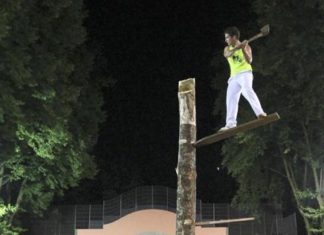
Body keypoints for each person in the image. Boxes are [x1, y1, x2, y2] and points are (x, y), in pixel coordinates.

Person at [219, 26, 267, 131]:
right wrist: (237, 48)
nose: (226, 40)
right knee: (230, 98)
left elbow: (249, 61)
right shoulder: (227, 48)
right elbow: (227, 55)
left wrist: (244, 49)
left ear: (234, 37)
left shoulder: (247, 46)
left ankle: (260, 113)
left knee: (247, 90)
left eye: (227, 37)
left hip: (245, 73)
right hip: (233, 77)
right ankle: (230, 124)